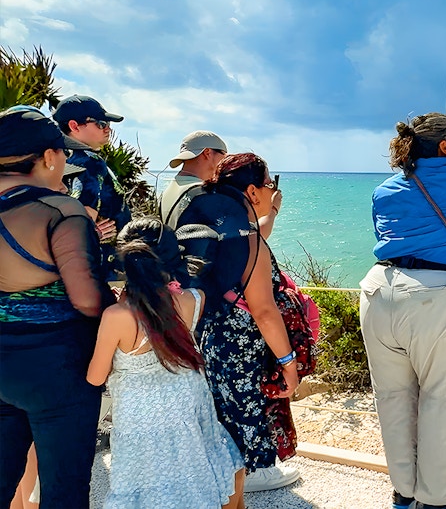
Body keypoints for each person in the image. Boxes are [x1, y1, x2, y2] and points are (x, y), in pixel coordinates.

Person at [87, 217, 245, 509]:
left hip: (139, 413)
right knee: (193, 462)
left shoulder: (117, 316)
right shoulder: (194, 299)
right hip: (188, 398)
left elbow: (96, 377)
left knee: (144, 479)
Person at [0, 108, 113, 509]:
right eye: (62, 154)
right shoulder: (60, 210)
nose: (65, 161)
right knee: (64, 488)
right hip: (56, 366)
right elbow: (87, 298)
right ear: (48, 157)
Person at [359, 113, 446, 509]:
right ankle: (439, 500)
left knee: (393, 397)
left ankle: (404, 493)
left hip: (378, 291)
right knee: (444, 398)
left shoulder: (385, 189)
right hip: (434, 297)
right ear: (444, 146)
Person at [196, 153, 301, 493]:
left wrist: (272, 215)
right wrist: (288, 362)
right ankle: (254, 472)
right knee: (248, 403)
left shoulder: (211, 222)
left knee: (222, 403)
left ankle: (225, 470)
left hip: (210, 332)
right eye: (269, 184)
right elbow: (264, 310)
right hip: (243, 341)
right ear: (253, 191)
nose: (272, 191)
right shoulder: (248, 237)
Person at [53, 94, 131, 279]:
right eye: (101, 124)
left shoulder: (59, 158)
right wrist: (93, 233)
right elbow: (84, 217)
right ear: (74, 126)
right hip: (104, 264)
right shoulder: (90, 161)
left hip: (73, 264)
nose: (108, 129)